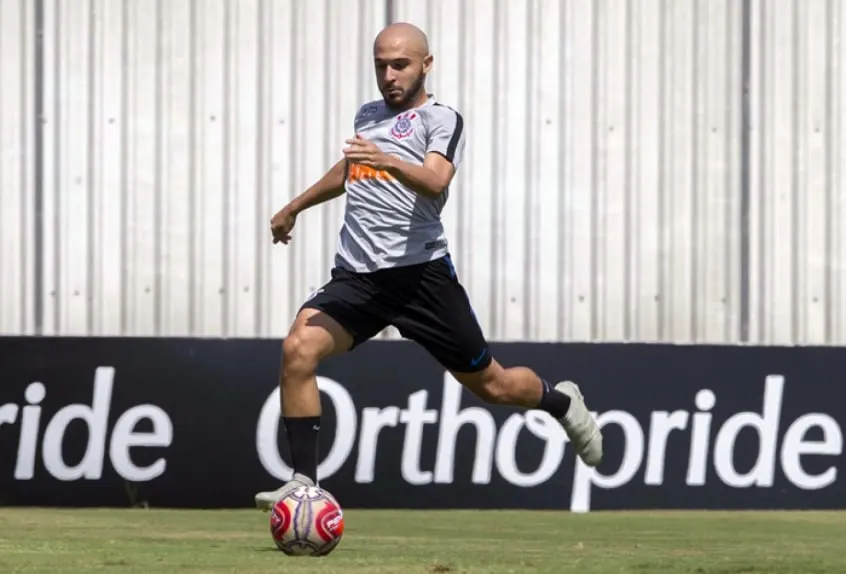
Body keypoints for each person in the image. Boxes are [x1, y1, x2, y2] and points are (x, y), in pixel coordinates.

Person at [255, 22, 602, 510]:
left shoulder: (441, 120)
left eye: (400, 64)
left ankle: (561, 401)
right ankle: (304, 484)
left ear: (426, 65)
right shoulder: (369, 114)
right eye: (381, 65)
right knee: (298, 350)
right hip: (358, 278)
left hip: (421, 279)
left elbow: (436, 180)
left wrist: (388, 159)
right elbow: (351, 169)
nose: (389, 75)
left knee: (495, 386)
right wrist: (296, 205)